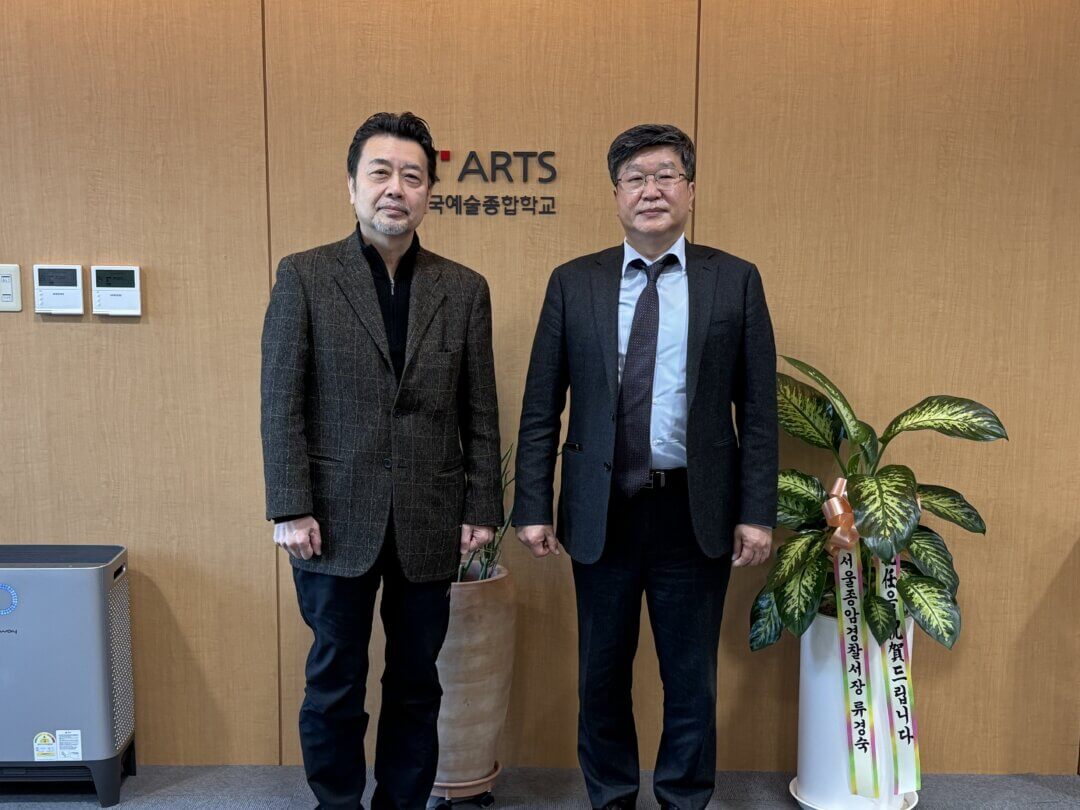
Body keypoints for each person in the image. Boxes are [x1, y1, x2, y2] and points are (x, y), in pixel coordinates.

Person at [513, 123, 778, 810]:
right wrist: (533, 505)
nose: (650, 190)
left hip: (695, 510)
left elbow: (758, 409)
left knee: (690, 678)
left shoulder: (735, 280)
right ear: (616, 195)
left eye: (665, 176)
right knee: (600, 675)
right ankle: (611, 797)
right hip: (602, 510)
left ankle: (683, 798)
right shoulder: (574, 282)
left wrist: (756, 513)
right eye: (635, 178)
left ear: (690, 191)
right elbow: (542, 404)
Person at [260, 111, 503, 810]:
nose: (396, 188)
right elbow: (281, 400)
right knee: (335, 680)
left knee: (417, 682)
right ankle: (336, 803)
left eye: (412, 176)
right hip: (331, 522)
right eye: (381, 173)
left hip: (429, 517)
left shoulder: (464, 289)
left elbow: (480, 411)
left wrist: (482, 508)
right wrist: (290, 506)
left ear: (429, 193)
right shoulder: (305, 276)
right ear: (352, 186)